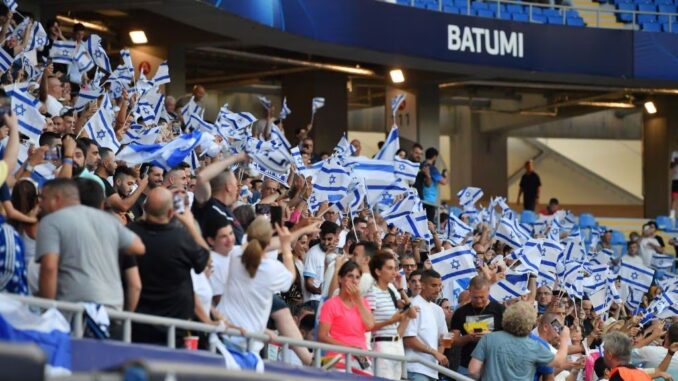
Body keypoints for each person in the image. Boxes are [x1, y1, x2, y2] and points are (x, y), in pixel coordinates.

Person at [36, 178, 145, 310]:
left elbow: (49, 267)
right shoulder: (109, 221)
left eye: (43, 198)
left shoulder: (51, 221)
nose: (39, 203)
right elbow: (138, 247)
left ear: (56, 199)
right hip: (112, 309)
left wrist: (47, 310)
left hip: (75, 310)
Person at [217, 217, 318, 356]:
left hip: (224, 335)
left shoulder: (235, 254)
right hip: (247, 344)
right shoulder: (271, 268)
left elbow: (262, 243)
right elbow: (291, 277)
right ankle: (309, 359)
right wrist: (287, 249)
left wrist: (302, 231)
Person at [128, 187, 210, 346]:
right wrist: (190, 223)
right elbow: (205, 259)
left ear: (144, 207)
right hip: (174, 330)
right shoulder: (181, 238)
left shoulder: (130, 233)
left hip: (137, 326)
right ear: (171, 213)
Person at [468, 301, 570, 381]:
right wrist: (564, 338)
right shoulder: (535, 346)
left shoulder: (489, 338)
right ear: (531, 322)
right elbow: (558, 362)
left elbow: (473, 370)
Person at [318, 260, 375, 374]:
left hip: (361, 359)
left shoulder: (363, 302)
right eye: (350, 276)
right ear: (340, 279)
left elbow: (370, 326)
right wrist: (349, 348)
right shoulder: (331, 304)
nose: (354, 281)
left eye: (358, 277)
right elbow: (322, 336)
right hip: (339, 359)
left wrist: (358, 300)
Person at [366, 252, 416, 380]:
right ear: (377, 271)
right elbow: (368, 325)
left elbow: (412, 314)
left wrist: (400, 289)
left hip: (396, 345)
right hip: (381, 346)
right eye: (389, 268)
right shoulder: (372, 292)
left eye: (394, 268)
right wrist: (390, 321)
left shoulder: (392, 291)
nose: (394, 272)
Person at [450, 275, 505, 376]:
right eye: (475, 297)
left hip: (494, 366)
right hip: (467, 365)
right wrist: (469, 337)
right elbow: (454, 342)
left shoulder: (500, 310)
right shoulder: (460, 312)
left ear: (488, 291)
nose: (479, 301)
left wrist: (491, 338)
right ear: (469, 292)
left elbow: (509, 338)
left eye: (482, 297)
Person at [403, 269, 449, 381]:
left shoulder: (438, 309)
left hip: (433, 369)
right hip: (415, 367)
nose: (438, 289)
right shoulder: (414, 305)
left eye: (439, 286)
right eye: (433, 285)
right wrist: (434, 353)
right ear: (422, 285)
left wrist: (439, 355)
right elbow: (408, 339)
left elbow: (445, 338)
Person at [193, 153, 248, 244]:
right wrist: (236, 157)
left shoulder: (227, 210)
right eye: (236, 185)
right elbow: (202, 177)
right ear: (229, 187)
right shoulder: (208, 205)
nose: (238, 188)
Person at [303, 221, 339, 305]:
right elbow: (309, 283)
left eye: (329, 239)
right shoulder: (313, 253)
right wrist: (322, 290)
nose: (326, 243)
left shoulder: (338, 255)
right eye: (323, 239)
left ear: (336, 237)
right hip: (316, 301)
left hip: (332, 301)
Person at [415, 147, 448, 222]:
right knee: (429, 223)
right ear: (434, 157)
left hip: (420, 197)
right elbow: (444, 182)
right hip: (428, 199)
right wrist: (445, 175)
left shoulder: (421, 165)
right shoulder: (431, 168)